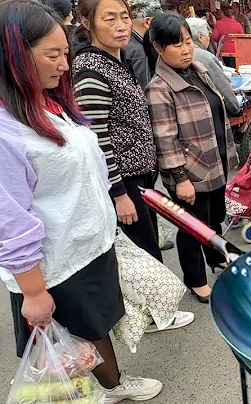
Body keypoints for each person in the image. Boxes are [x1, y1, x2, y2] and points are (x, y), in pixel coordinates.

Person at [0, 1, 163, 402]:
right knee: (66, 349)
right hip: (52, 265)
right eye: (52, 55)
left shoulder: (47, 101)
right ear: (15, 56)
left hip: (87, 244)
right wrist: (34, 293)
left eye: (65, 53)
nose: (64, 65)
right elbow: (10, 219)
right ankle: (93, 393)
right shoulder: (7, 130)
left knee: (95, 328)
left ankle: (112, 387)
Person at [146, 12, 239, 303]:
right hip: (189, 172)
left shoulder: (199, 69)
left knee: (213, 218)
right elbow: (165, 139)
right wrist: (180, 178)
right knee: (191, 228)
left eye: (188, 41)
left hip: (214, 161)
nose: (186, 49)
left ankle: (216, 259)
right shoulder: (159, 89)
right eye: (177, 45)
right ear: (159, 48)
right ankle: (196, 279)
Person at [73, 0, 163, 263]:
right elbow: (98, 140)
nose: (121, 26)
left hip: (141, 178)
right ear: (87, 23)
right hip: (124, 182)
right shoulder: (91, 71)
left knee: (149, 253)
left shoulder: (117, 60)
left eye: (124, 17)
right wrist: (120, 194)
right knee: (145, 262)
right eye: (110, 19)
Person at [186, 17, 242, 116]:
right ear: (200, 37)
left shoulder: (179, 54)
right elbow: (223, 87)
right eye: (208, 34)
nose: (209, 38)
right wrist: (235, 108)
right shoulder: (205, 57)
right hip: (207, 111)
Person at [126, 0, 162, 89]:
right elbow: (145, 89)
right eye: (159, 21)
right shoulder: (140, 52)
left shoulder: (124, 43)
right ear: (147, 22)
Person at [212, 2, 246, 67]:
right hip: (236, 53)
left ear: (222, 12)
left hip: (223, 53)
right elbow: (242, 39)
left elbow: (214, 37)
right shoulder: (238, 25)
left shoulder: (219, 23)